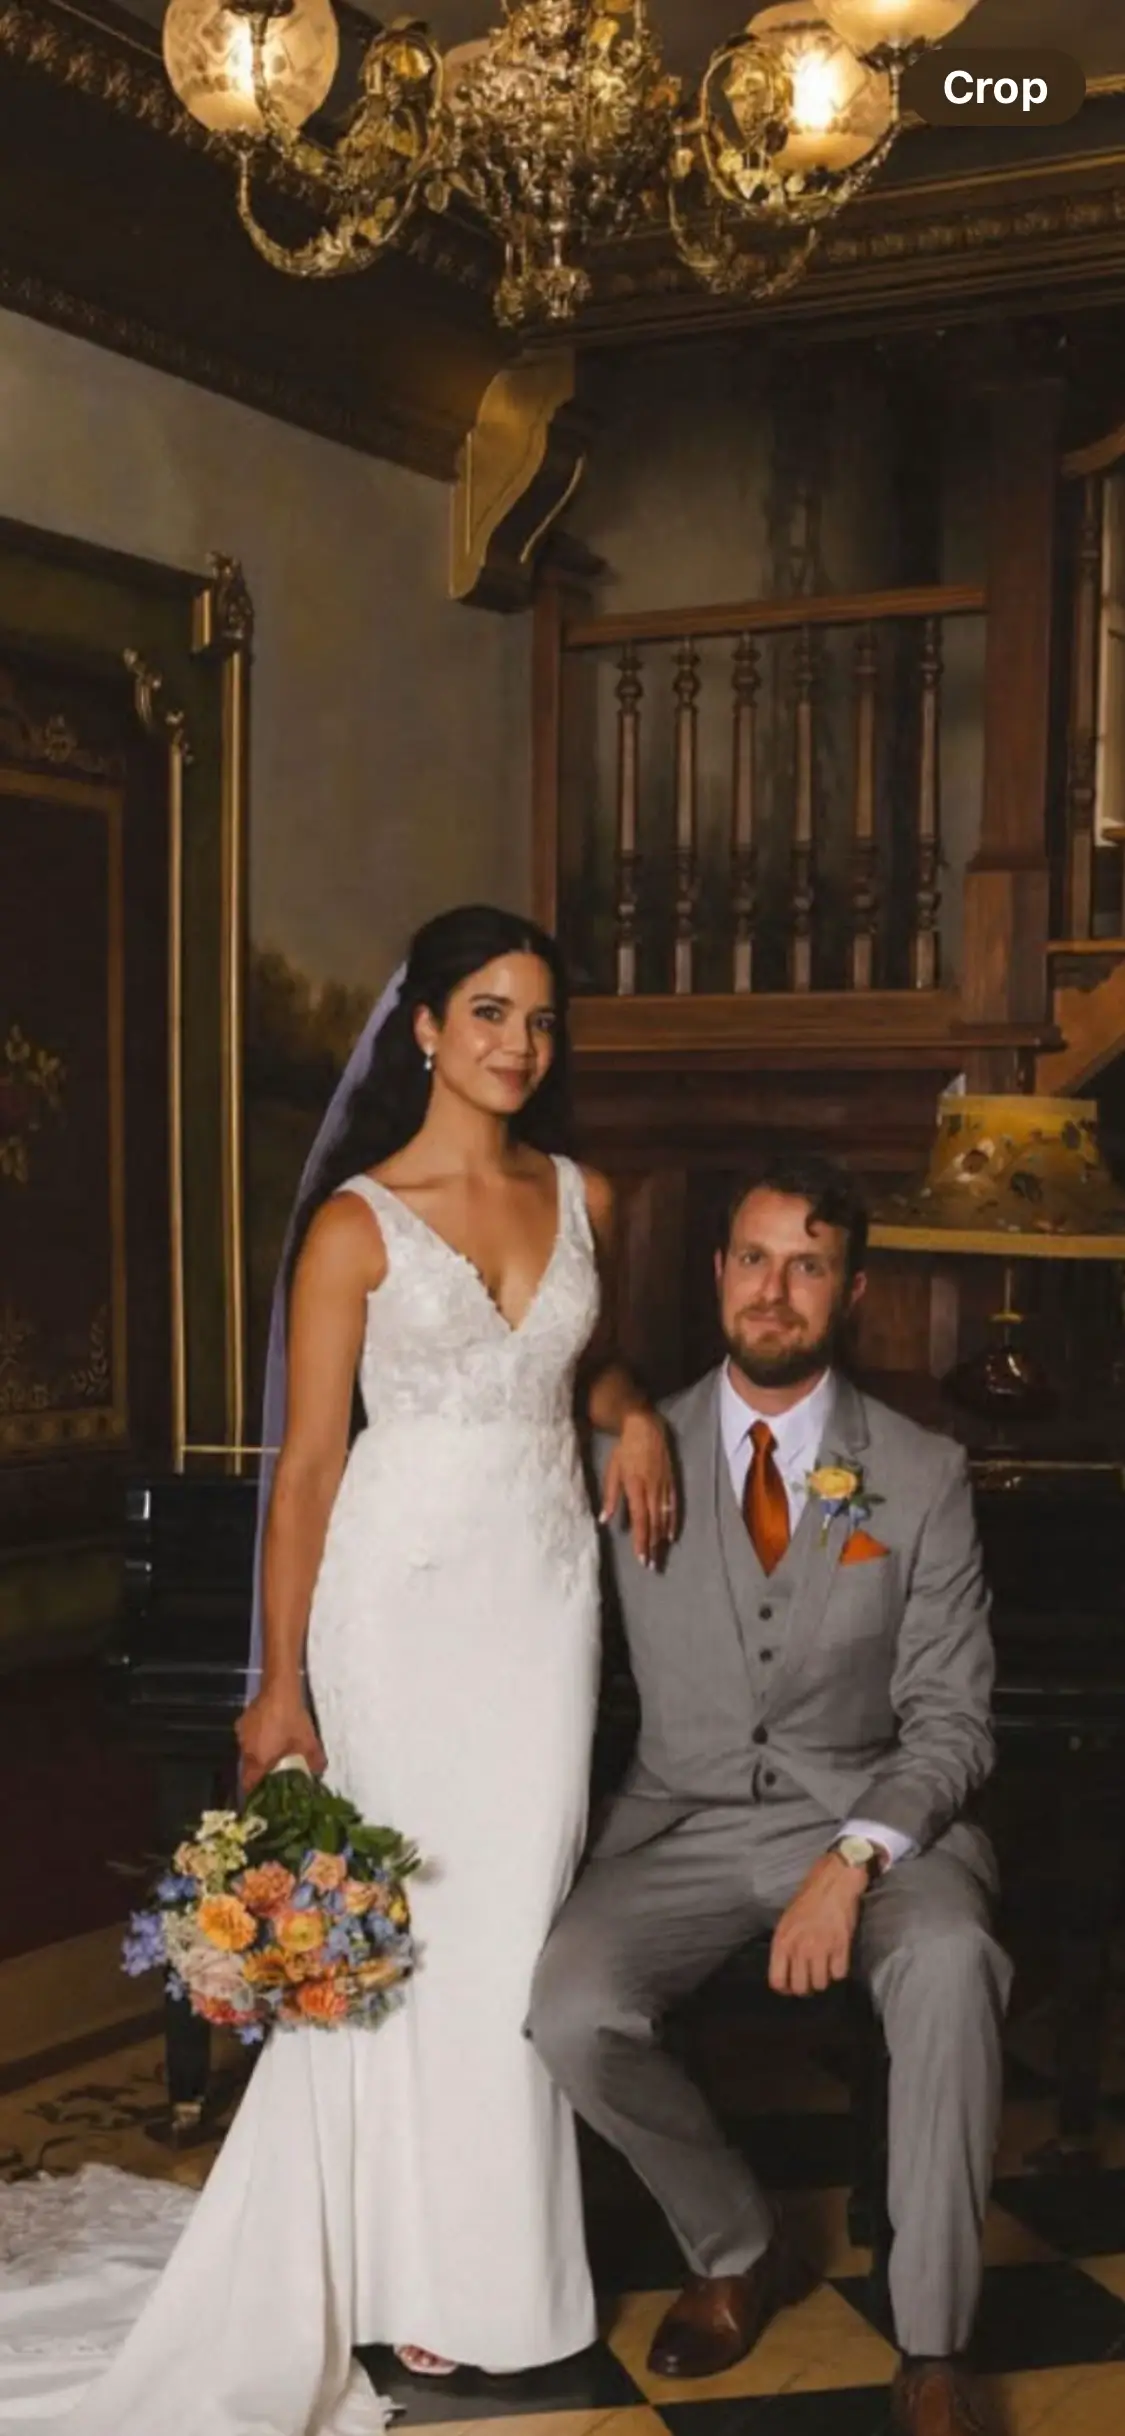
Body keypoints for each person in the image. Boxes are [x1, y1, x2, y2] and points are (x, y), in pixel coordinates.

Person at [0, 904, 675, 2436]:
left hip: (541, 1610)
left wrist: (633, 1412)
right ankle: (395, 2276)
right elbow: (307, 1470)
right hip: (398, 1609)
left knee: (511, 1937)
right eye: (487, 1012)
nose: (517, 1043)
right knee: (407, 1937)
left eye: (540, 1020)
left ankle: (496, 2281)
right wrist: (280, 1683)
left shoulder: (587, 1195)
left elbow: (577, 1368)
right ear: (424, 1028)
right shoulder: (356, 1227)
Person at [530, 1154, 1010, 2436]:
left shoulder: (922, 1470)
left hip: (875, 1820)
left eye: (808, 1265)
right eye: (753, 1259)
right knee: (569, 2007)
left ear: (851, 1292)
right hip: (680, 1819)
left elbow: (954, 1720)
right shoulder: (622, 1448)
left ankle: (934, 2346)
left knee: (952, 1962)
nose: (774, 1290)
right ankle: (740, 2245)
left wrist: (851, 1862)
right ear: (717, 1274)